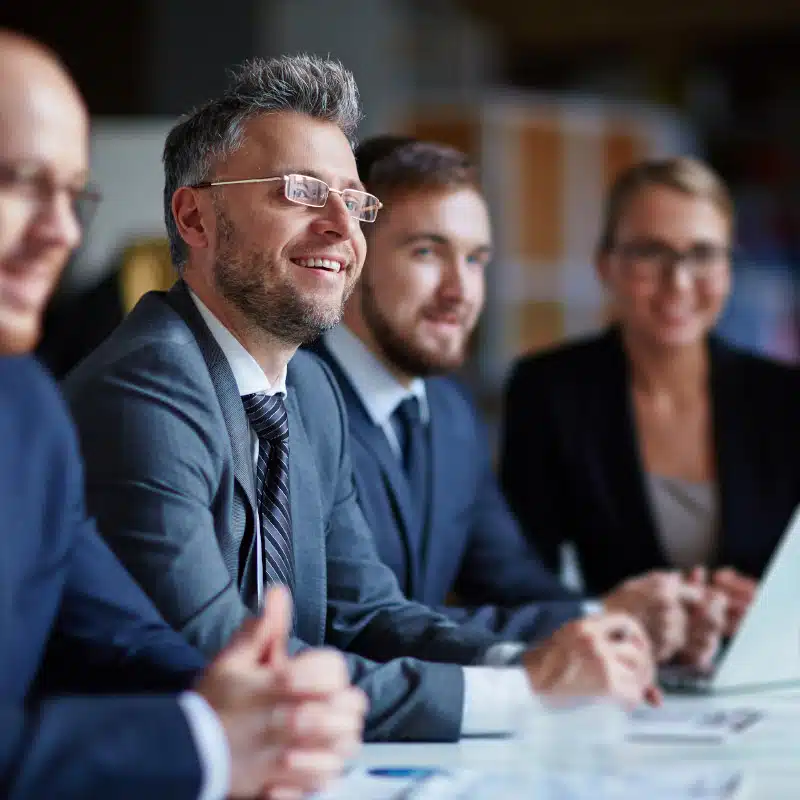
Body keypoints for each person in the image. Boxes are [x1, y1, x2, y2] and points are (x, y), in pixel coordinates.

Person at [64, 54, 658, 744]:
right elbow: (231, 666)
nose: (342, 231)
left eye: (353, 201)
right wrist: (522, 696)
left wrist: (529, 664)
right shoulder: (147, 387)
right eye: (299, 192)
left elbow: (367, 613)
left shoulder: (309, 391)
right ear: (194, 217)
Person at [0, 30, 366, 799]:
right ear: (192, 220)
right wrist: (204, 739)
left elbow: (122, 634)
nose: (61, 233)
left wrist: (268, 705)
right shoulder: (140, 380)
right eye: (16, 183)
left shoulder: (23, 405)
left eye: (71, 196)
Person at [310, 135, 724, 664]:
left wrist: (633, 620)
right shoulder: (294, 398)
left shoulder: (452, 413)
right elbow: (361, 622)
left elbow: (512, 582)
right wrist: (597, 622)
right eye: (426, 252)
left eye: (476, 259)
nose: (460, 290)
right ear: (351, 254)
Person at [502, 156, 800, 638]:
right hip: (621, 672)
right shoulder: (550, 391)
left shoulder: (785, 400)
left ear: (729, 266)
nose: (678, 281)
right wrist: (608, 613)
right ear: (606, 265)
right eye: (650, 252)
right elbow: (515, 576)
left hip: (765, 679)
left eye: (703, 254)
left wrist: (769, 610)